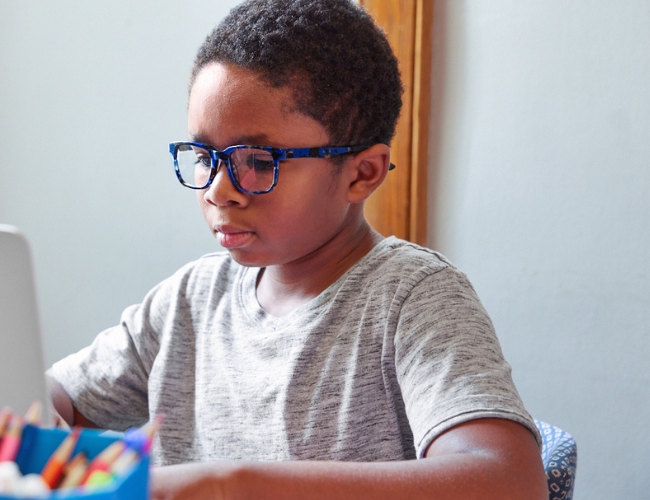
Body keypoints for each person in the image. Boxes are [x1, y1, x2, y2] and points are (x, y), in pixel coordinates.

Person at [48, 1, 547, 498]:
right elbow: (61, 398)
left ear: (362, 172)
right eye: (204, 156)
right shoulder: (190, 300)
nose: (218, 190)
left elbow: (509, 481)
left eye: (259, 161)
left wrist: (231, 484)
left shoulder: (412, 298)